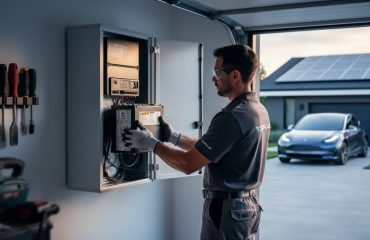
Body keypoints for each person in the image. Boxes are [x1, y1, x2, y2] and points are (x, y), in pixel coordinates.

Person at [123, 45, 270, 240]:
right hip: (247, 205)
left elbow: (188, 164)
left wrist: (152, 144)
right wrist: (174, 137)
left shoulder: (231, 117)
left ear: (235, 75)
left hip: (228, 210)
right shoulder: (257, 110)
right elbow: (213, 151)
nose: (213, 78)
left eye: (217, 72)